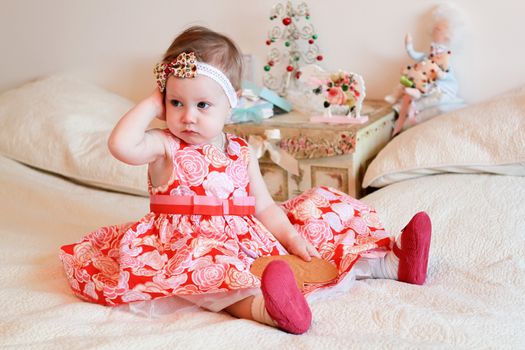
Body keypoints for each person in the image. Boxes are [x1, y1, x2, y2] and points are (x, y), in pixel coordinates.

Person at [59, 26, 432, 335]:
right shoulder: (164, 145)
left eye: (203, 105)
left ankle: (388, 262)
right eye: (176, 103)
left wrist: (291, 237)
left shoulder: (241, 151)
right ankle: (267, 309)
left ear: (231, 102)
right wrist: (151, 104)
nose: (188, 117)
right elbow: (120, 145)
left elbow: (265, 207)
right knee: (216, 276)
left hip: (249, 237)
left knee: (318, 216)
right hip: (190, 245)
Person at [387, 2, 466, 135]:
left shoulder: (445, 55)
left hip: (439, 83)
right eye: (435, 28)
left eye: (439, 29)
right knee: (408, 83)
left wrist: (441, 75)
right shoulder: (428, 54)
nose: (435, 31)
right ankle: (397, 100)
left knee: (430, 95)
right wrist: (409, 46)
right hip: (425, 79)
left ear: (448, 35)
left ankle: (414, 105)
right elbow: (416, 55)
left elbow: (447, 71)